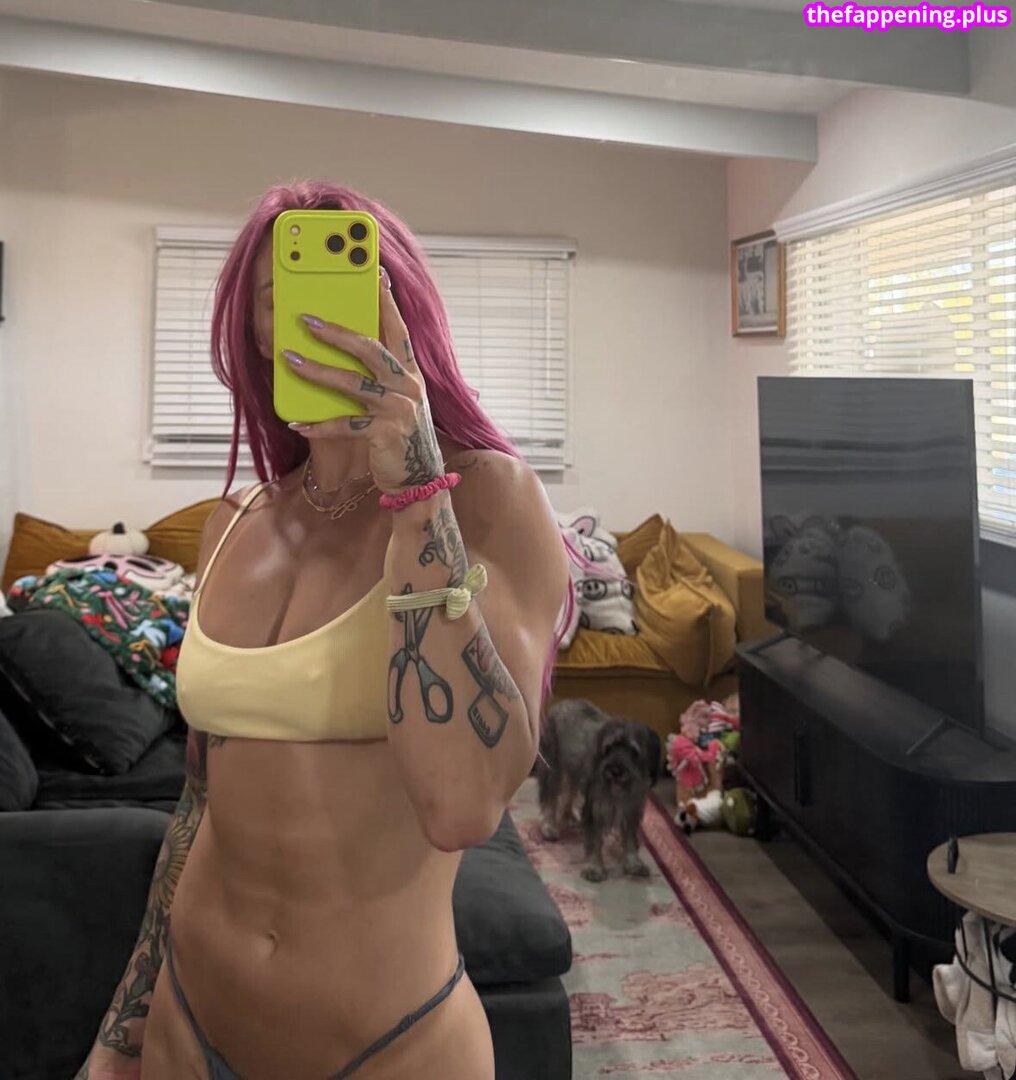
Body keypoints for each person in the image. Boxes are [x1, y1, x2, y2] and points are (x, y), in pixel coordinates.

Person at [75, 181, 569, 1080]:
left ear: (403, 316)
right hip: (187, 1021)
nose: (316, 321)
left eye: (349, 294)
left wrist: (417, 492)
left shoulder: (490, 500)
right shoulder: (234, 522)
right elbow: (199, 802)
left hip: (389, 1047)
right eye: (280, 298)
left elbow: (464, 805)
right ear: (256, 333)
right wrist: (122, 1030)